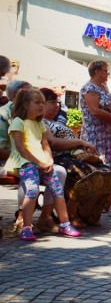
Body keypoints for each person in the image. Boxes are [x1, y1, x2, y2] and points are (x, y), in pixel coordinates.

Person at [8, 88, 81, 241]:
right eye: (37, 102)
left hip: (42, 163)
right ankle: (26, 227)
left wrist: (49, 161)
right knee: (32, 189)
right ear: (26, 104)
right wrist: (39, 162)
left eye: (43, 102)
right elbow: (21, 149)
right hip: (25, 163)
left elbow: (46, 145)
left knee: (58, 190)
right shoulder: (18, 122)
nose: (42, 106)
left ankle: (64, 223)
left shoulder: (39, 124)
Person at [40, 88, 111, 227]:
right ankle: (71, 214)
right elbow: (52, 143)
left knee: (106, 172)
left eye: (57, 102)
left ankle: (87, 213)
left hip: (73, 156)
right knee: (86, 174)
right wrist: (80, 142)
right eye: (51, 102)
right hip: (59, 157)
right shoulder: (42, 123)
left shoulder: (59, 122)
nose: (56, 105)